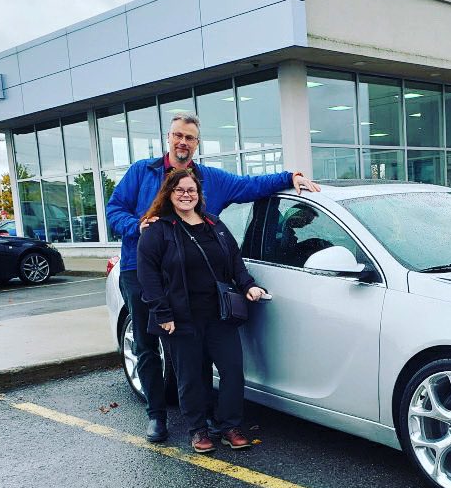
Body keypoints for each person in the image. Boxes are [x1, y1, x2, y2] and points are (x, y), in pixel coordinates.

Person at [107, 113, 319, 443]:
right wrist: (136, 227)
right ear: (168, 138)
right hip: (141, 270)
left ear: (196, 143)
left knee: (192, 354)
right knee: (148, 347)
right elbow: (114, 209)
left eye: (189, 138)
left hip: (194, 283)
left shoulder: (210, 180)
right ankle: (157, 414)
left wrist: (291, 176)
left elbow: (252, 186)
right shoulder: (141, 172)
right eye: (177, 135)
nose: (182, 142)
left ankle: (203, 418)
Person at [136, 168, 267, 453]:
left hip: (219, 315)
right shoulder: (157, 230)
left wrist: (248, 286)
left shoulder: (214, 224)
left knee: (232, 372)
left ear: (199, 194)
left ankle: (229, 425)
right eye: (180, 190)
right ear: (169, 194)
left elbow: (234, 261)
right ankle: (198, 430)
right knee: (191, 377)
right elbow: (148, 277)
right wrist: (163, 314)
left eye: (191, 190)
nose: (186, 195)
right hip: (180, 318)